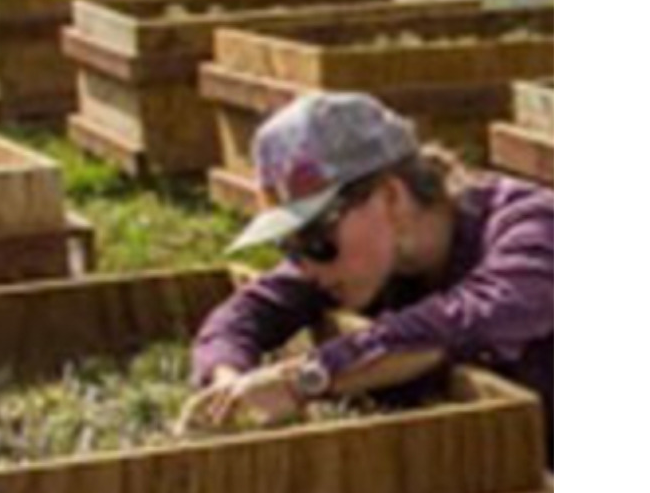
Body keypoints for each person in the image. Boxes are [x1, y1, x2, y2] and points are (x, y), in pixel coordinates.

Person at [183, 91, 553, 462]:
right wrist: (228, 387)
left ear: (391, 196)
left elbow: (466, 319)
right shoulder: (370, 258)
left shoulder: (536, 229)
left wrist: (302, 381)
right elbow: (243, 315)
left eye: (315, 241)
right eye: (288, 247)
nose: (305, 268)